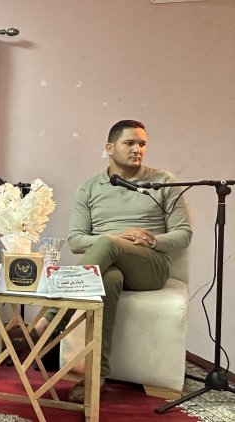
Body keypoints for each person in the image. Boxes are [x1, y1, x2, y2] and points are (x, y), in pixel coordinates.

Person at [21, 120, 192, 403]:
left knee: (108, 243)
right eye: (130, 143)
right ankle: (96, 377)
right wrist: (114, 238)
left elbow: (183, 234)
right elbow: (76, 241)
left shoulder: (163, 182)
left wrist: (151, 240)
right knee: (109, 275)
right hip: (106, 265)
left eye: (142, 144)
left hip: (149, 267)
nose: (137, 149)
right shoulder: (88, 188)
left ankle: (47, 323)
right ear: (110, 148)